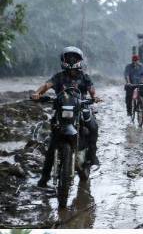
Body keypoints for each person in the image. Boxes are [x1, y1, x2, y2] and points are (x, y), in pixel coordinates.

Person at [31, 46, 101, 187]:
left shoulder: (84, 77)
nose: (71, 60)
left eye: (74, 58)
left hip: (81, 109)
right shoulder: (59, 76)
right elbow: (46, 85)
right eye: (68, 58)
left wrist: (95, 97)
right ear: (64, 60)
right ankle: (44, 178)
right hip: (62, 112)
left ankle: (92, 157)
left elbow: (92, 90)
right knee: (53, 143)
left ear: (79, 60)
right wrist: (37, 93)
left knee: (93, 127)